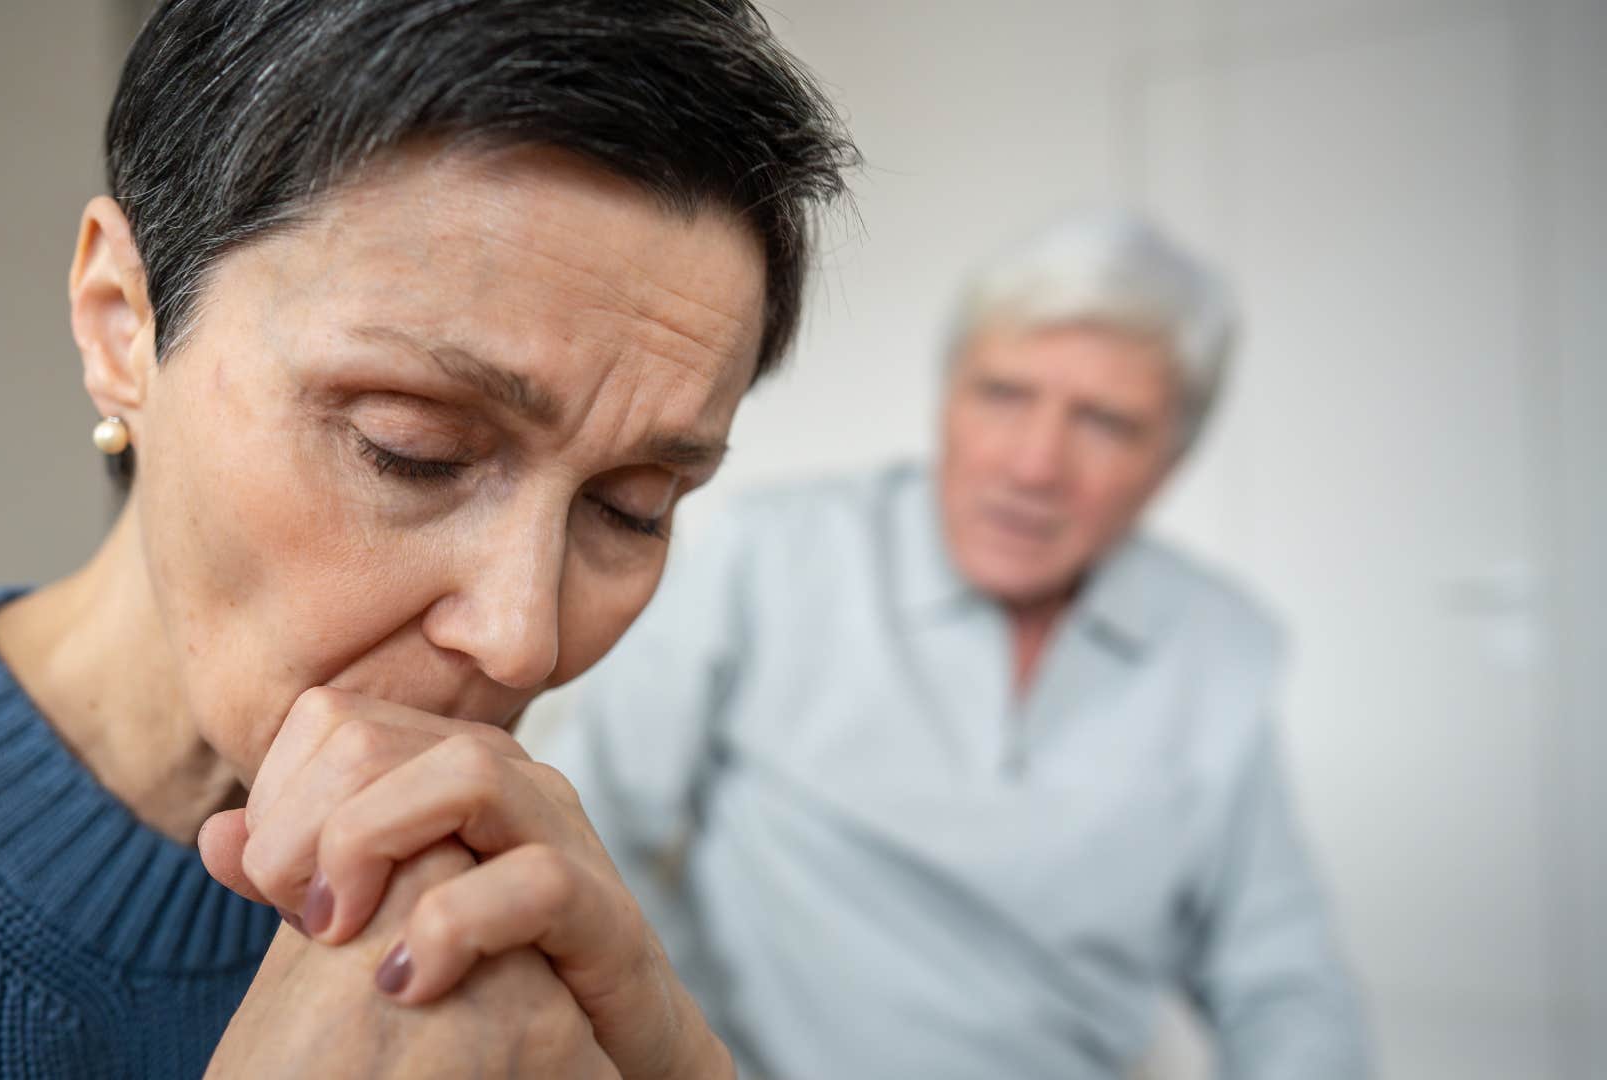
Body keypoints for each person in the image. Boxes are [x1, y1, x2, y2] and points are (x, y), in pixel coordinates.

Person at [0, 1, 854, 1076]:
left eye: (632, 508)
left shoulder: (524, 910)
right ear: (121, 325)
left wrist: (670, 1050)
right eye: (414, 448)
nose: (522, 639)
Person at [541, 213, 1374, 1079]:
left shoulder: (1217, 642)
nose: (1034, 465)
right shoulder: (774, 552)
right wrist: (672, 1051)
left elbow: (1281, 979)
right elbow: (592, 826)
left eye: (1106, 424)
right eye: (1005, 395)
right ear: (947, 400)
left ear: (1171, 461)